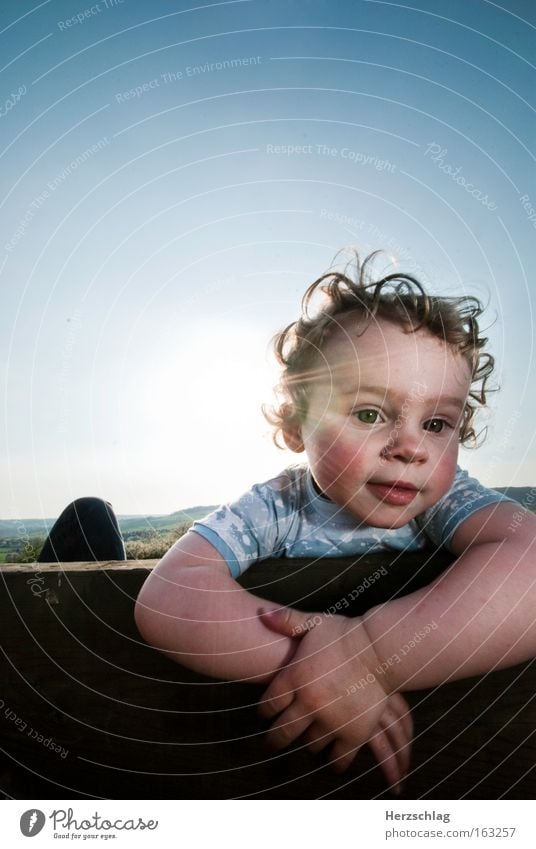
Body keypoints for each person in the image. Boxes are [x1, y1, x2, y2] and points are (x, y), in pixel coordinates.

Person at [134, 250, 536, 794]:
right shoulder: (277, 506)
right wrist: (323, 662)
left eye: (438, 423)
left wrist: (371, 653)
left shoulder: (449, 501)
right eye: (370, 414)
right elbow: (171, 595)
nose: (411, 447)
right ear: (298, 424)